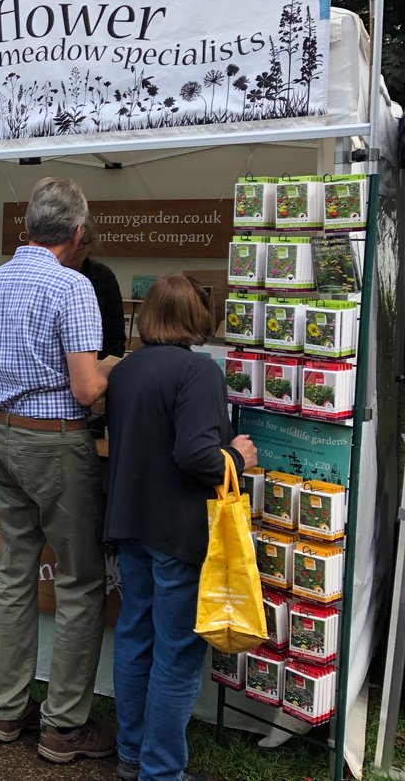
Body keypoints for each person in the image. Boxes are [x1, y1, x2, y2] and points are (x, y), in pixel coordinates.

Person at [0, 176, 115, 763]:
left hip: (0, 434)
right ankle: (63, 726)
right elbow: (85, 389)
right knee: (80, 580)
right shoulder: (73, 287)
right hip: (54, 442)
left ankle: (5, 709)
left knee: (14, 571)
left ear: (26, 227)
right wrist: (111, 373)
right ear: (77, 233)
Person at [105, 275, 257, 781]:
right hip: (178, 529)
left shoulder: (125, 371)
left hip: (131, 524)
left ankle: (131, 755)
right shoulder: (198, 372)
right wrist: (237, 454)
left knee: (134, 638)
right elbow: (194, 454)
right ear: (196, 316)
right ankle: (162, 771)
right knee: (176, 653)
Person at [65, 216, 126, 358]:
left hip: (96, 363)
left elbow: (115, 335)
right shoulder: (49, 274)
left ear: (91, 245)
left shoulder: (104, 276)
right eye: (69, 243)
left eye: (80, 244)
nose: (73, 250)